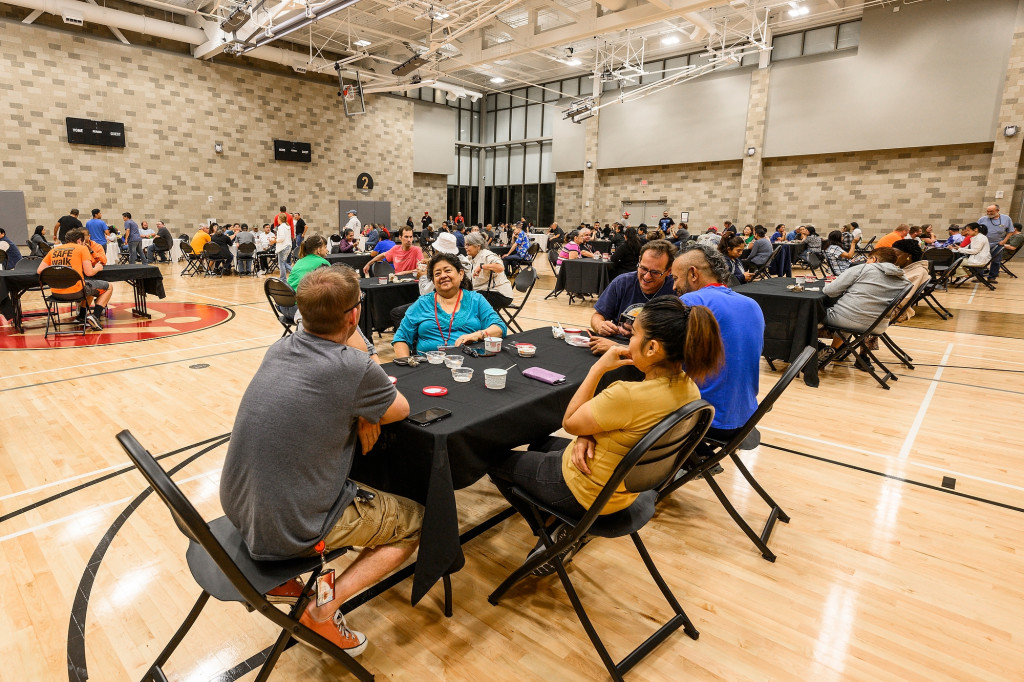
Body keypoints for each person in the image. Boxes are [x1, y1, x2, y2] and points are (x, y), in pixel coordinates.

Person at [219, 265, 418, 655]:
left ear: (300, 314)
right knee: (418, 523)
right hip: (292, 527)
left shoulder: (278, 349)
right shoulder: (354, 366)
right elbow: (401, 409)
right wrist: (365, 409)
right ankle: (324, 609)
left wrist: (359, 409)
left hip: (240, 508)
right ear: (354, 315)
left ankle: (286, 579)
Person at [489, 297, 724, 569]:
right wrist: (586, 435)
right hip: (624, 488)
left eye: (633, 334)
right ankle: (558, 524)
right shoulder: (689, 389)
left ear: (652, 348)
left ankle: (551, 531)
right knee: (538, 443)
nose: (626, 340)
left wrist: (598, 368)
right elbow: (609, 425)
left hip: (584, 492)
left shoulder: (627, 395)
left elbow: (570, 421)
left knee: (493, 460)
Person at [672, 244, 763, 443]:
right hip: (745, 420)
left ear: (693, 274)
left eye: (675, 278)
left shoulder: (690, 302)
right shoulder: (753, 305)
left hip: (704, 421)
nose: (673, 286)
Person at [392, 253, 506, 357]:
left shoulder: (476, 300)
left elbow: (499, 327)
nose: (443, 276)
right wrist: (407, 365)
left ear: (461, 274)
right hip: (429, 366)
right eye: (437, 273)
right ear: (433, 280)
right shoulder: (422, 303)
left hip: (470, 363)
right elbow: (401, 338)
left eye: (447, 270)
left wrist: (476, 335)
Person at [818, 246, 909, 359]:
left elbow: (830, 291)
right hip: (877, 326)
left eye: (868, 259)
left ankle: (815, 348)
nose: (866, 261)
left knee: (810, 311)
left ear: (874, 259)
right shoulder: (904, 280)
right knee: (852, 312)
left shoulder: (864, 268)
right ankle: (834, 351)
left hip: (846, 319)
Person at [589, 240, 677, 354]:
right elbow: (597, 316)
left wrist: (619, 348)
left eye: (655, 272)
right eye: (643, 268)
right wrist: (600, 325)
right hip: (615, 346)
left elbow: (671, 344)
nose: (646, 276)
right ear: (639, 261)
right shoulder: (622, 282)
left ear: (668, 271)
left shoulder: (676, 291)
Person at [36, 228, 110, 330]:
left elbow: (40, 270)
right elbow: (89, 272)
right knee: (108, 287)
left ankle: (82, 315)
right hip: (76, 292)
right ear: (79, 241)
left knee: (89, 285)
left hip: (56, 294)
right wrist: (97, 268)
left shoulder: (53, 250)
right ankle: (95, 316)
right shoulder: (82, 249)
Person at [465, 232, 514, 308]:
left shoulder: (487, 255)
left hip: (499, 294)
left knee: (468, 300)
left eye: (468, 245)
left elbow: (500, 268)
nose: (465, 247)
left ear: (478, 246)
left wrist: (482, 266)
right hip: (483, 291)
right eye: (465, 244)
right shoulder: (470, 257)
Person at [978, 204, 1013, 279]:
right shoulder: (982, 219)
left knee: (996, 261)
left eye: (991, 211)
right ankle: (979, 276)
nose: (989, 213)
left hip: (998, 243)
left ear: (997, 211)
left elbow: (1010, 231)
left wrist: (1004, 241)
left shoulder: (1006, 218)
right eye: (987, 211)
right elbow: (975, 230)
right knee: (980, 259)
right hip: (983, 244)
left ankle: (992, 277)